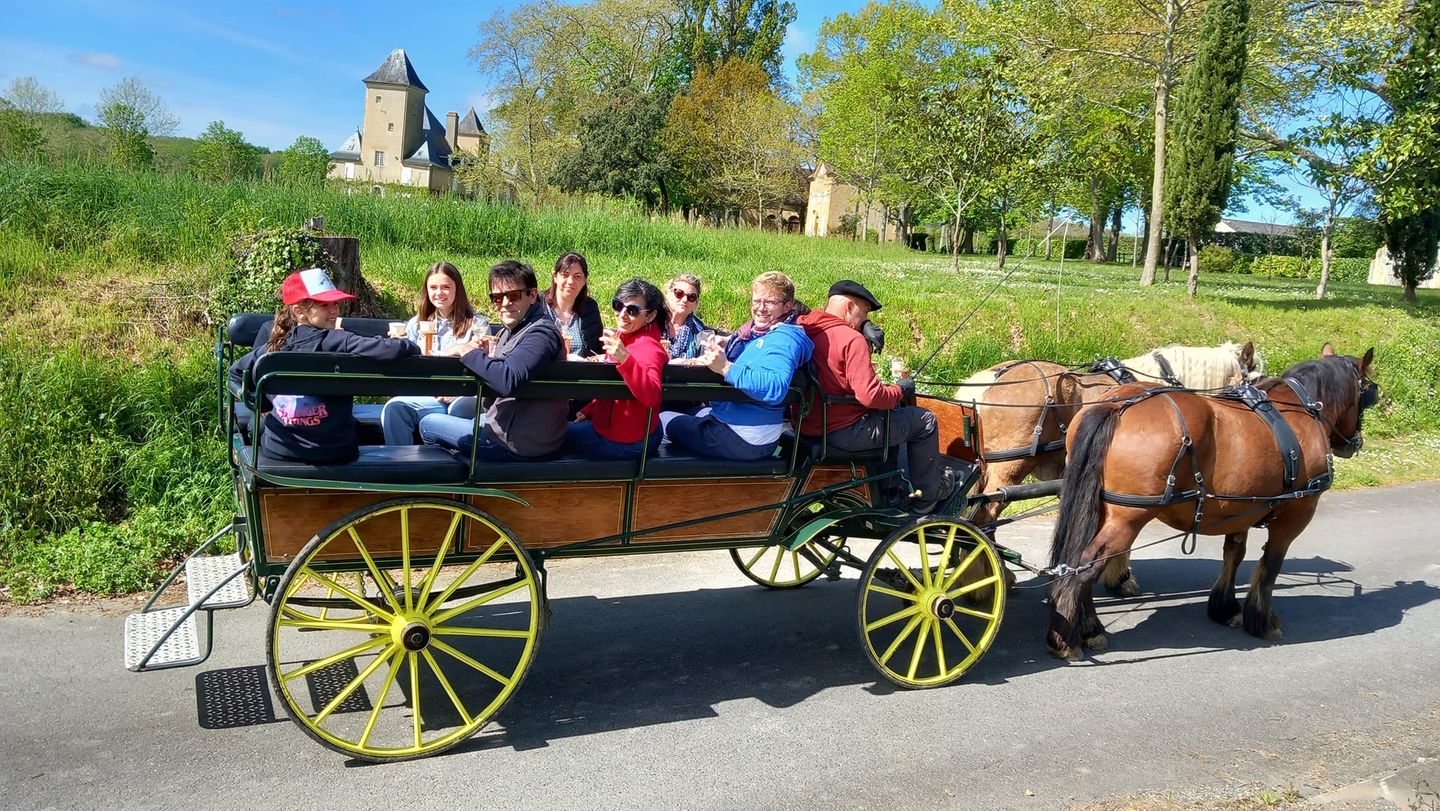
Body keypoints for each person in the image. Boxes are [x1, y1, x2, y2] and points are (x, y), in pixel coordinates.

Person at [229, 268, 418, 464]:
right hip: (337, 451)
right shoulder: (340, 341)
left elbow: (235, 373)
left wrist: (264, 405)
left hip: (279, 449)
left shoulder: (273, 350)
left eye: (335, 303)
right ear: (299, 311)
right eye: (324, 304)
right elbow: (390, 349)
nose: (334, 310)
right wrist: (409, 343)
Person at [797, 279, 956, 512]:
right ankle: (928, 495)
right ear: (849, 307)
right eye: (864, 313)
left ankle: (889, 487)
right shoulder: (851, 340)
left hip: (808, 426)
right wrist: (899, 390)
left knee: (892, 418)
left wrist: (861, 327)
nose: (865, 320)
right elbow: (870, 396)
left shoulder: (805, 327)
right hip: (845, 431)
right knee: (924, 421)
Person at [419, 260, 568, 460]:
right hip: (514, 430)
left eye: (513, 296)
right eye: (497, 298)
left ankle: (462, 482)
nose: (505, 304)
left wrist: (467, 352)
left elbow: (509, 379)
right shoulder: (516, 329)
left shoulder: (540, 334)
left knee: (429, 423)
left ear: (532, 295)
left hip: (517, 443)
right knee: (456, 413)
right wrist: (482, 356)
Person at [663, 271, 813, 460]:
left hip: (741, 437)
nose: (761, 308)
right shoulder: (765, 333)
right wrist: (728, 342)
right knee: (696, 412)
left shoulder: (784, 339)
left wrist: (725, 367)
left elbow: (775, 387)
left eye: (770, 302)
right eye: (756, 301)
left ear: (788, 306)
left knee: (662, 418)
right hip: (753, 429)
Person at [380, 262, 487, 445]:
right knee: (394, 408)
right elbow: (410, 368)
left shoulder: (477, 325)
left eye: (446, 287)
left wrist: (457, 389)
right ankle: (399, 466)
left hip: (463, 395)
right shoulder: (416, 324)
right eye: (433, 287)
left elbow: (485, 366)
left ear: (457, 290)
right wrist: (399, 346)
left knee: (459, 408)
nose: (439, 293)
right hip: (429, 394)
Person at [565, 279, 669, 459]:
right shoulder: (627, 336)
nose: (622, 314)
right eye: (618, 305)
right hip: (640, 431)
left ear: (650, 316)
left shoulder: (649, 348)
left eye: (633, 310)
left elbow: (652, 395)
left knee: (547, 436)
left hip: (628, 442)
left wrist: (624, 358)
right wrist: (590, 409)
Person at [543, 251, 603, 358]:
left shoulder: (590, 308)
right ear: (555, 276)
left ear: (585, 280)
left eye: (577, 276)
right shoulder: (538, 305)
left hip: (579, 372)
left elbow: (596, 351)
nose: (570, 281)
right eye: (565, 275)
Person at [664, 273, 708, 362]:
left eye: (691, 297)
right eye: (679, 293)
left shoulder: (700, 332)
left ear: (696, 302)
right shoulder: (651, 321)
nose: (685, 300)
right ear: (668, 294)